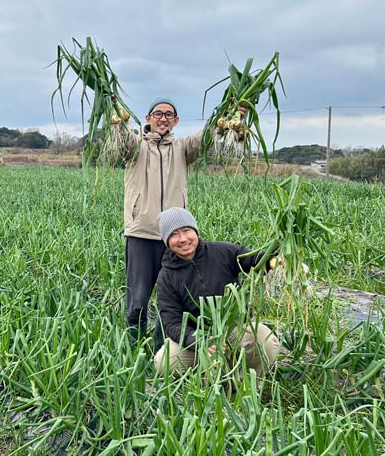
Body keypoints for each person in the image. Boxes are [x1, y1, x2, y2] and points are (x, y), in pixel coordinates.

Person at [110, 98, 205, 342]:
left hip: (175, 237)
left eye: (169, 114)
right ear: (148, 118)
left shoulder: (183, 148)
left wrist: (234, 115)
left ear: (176, 121)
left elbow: (208, 137)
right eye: (158, 113)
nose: (163, 118)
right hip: (141, 232)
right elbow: (121, 138)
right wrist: (114, 114)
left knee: (175, 296)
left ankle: (166, 345)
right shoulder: (136, 146)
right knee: (138, 298)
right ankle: (133, 344)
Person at [153, 207, 280, 376]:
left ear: (195, 231)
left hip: (234, 330)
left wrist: (274, 260)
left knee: (265, 342)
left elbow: (253, 259)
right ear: (166, 240)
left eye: (186, 231)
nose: (182, 239)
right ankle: (206, 379)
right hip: (197, 339)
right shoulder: (166, 276)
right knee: (164, 362)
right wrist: (199, 340)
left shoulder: (222, 252)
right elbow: (172, 323)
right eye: (174, 234)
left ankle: (245, 381)